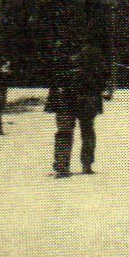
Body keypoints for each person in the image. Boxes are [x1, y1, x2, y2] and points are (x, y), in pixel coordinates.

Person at [48, 36, 107, 176]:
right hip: (83, 95)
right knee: (86, 130)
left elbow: (51, 74)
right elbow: (103, 74)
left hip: (68, 95)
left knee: (66, 130)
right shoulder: (92, 51)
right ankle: (84, 164)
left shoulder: (59, 50)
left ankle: (63, 165)